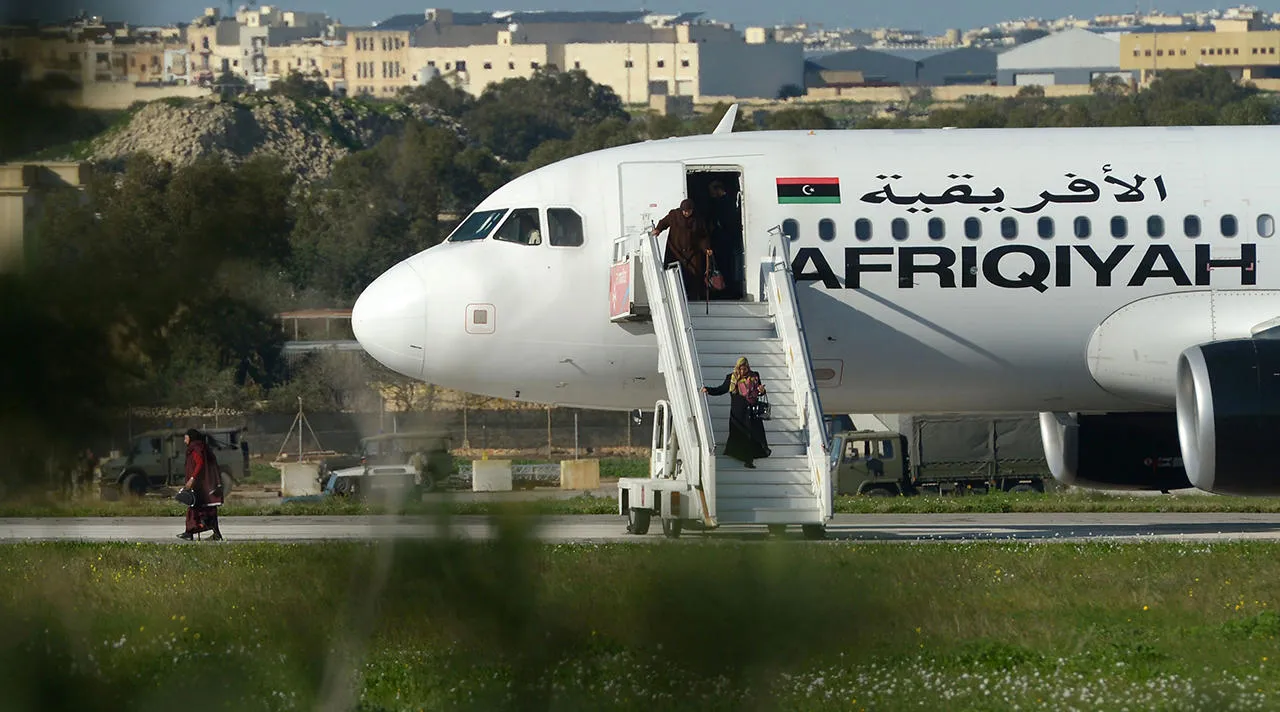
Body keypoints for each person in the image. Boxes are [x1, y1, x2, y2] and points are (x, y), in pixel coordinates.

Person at [701, 357, 771, 468]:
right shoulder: (731, 378)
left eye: (745, 369)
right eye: (741, 369)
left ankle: (750, 459)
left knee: (753, 435)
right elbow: (722, 389)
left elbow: (759, 392)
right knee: (741, 435)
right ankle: (745, 458)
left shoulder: (754, 376)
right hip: (739, 412)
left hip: (752, 411)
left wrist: (762, 391)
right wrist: (708, 390)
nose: (743, 372)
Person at [651, 198, 708, 300]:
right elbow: (664, 222)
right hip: (675, 251)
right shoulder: (674, 215)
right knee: (673, 273)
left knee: (693, 274)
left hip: (692, 252)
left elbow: (702, 236)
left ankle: (693, 297)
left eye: (688, 211)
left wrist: (706, 248)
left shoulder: (698, 220)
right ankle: (673, 297)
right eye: (684, 211)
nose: (686, 213)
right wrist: (658, 229)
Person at [178, 429, 224, 541]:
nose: (184, 441)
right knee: (208, 509)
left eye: (186, 438)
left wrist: (192, 479)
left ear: (191, 438)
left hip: (201, 485)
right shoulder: (200, 447)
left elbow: (200, 464)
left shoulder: (196, 449)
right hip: (203, 484)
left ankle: (189, 532)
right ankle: (216, 534)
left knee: (195, 508)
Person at [707, 180, 742, 299]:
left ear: (718, 190)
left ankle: (726, 290)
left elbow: (726, 222)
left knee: (726, 265)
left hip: (725, 240)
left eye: (712, 191)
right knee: (724, 265)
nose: (711, 194)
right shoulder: (726, 201)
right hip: (725, 239)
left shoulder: (726, 202)